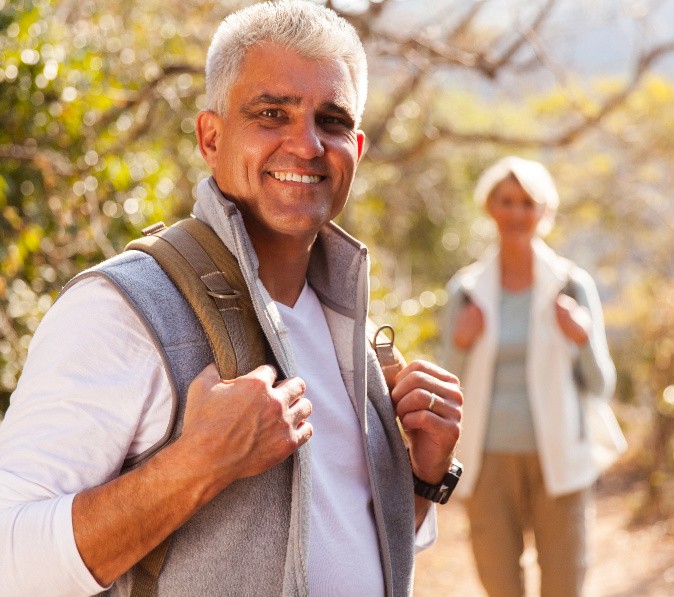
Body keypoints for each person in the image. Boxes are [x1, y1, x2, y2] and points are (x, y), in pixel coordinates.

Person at [0, 2, 463, 596]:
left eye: (331, 120)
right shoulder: (124, 309)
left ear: (357, 148)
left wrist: (421, 479)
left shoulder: (347, 323)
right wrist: (199, 463)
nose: (307, 144)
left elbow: (341, 538)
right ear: (211, 137)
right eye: (272, 113)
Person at [442, 156, 624, 597]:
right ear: (490, 208)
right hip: (487, 462)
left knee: (565, 582)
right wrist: (461, 342)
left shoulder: (572, 286)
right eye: (506, 201)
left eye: (528, 202)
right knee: (499, 582)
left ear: (544, 212)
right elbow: (445, 383)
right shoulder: (465, 289)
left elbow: (602, 386)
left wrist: (581, 336)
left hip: (560, 459)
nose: (517, 213)